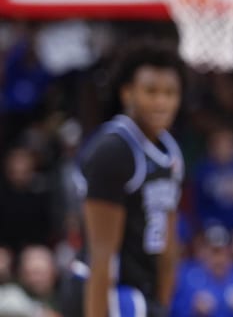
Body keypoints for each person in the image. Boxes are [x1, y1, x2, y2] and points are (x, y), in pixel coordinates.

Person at [59, 40, 186, 317]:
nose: (161, 102)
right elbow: (101, 254)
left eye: (170, 93)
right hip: (104, 292)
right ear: (128, 94)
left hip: (140, 292)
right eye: (151, 91)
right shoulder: (114, 150)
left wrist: (162, 305)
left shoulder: (171, 151)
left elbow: (168, 245)